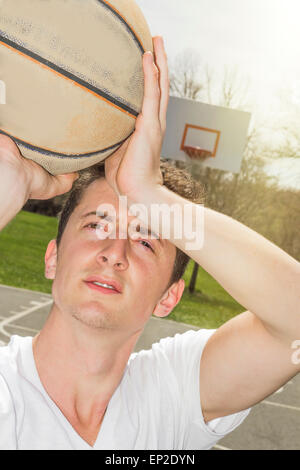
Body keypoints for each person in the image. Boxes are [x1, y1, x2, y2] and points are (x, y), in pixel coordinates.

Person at [0, 36, 299, 451]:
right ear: (53, 257)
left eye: (145, 241)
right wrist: (8, 183)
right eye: (96, 226)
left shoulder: (171, 396)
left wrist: (150, 195)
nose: (114, 253)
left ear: (169, 297)